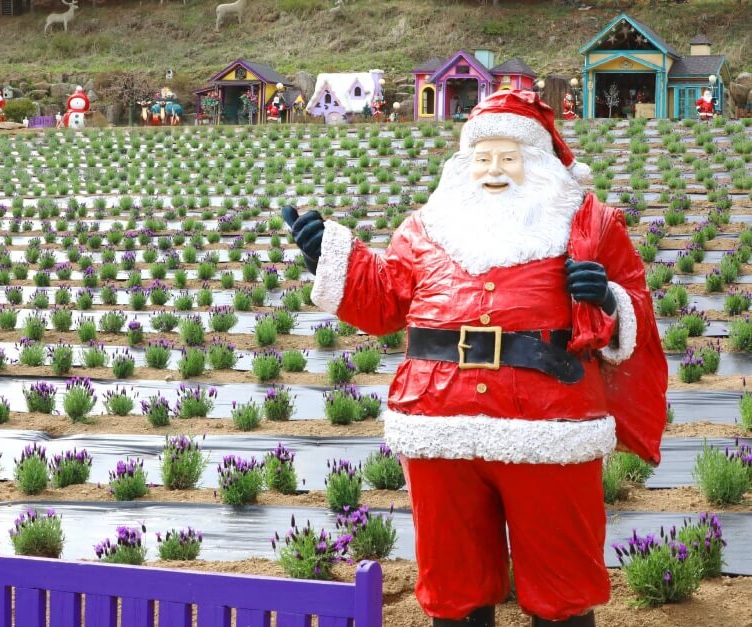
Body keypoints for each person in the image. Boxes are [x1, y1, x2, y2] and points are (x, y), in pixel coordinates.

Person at [282, 89, 667, 627]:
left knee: (561, 580)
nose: (494, 170)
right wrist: (331, 258)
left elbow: (638, 312)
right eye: (483, 157)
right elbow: (388, 299)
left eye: (509, 157)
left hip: (548, 426)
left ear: (539, 163)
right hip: (439, 424)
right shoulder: (426, 227)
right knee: (452, 580)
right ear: (464, 164)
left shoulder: (590, 227)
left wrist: (606, 298)